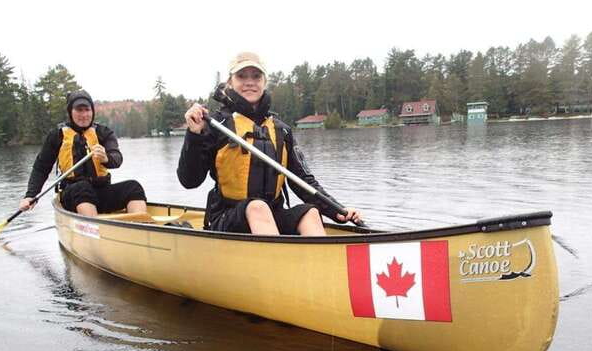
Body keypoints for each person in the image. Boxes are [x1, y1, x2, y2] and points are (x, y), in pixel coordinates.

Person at [177, 52, 361, 235]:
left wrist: (337, 211)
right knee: (257, 207)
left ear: (264, 82)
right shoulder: (215, 125)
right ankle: (278, 261)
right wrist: (194, 135)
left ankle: (319, 262)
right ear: (230, 82)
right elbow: (189, 181)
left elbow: (304, 181)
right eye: (241, 76)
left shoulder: (281, 130)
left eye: (256, 76)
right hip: (227, 217)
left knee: (310, 213)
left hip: (272, 215)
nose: (250, 82)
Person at [19, 90, 147, 217]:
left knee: (133, 187)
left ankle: (141, 228)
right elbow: (41, 168)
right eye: (79, 110)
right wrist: (30, 195)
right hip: (72, 194)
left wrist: (106, 158)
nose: (84, 115)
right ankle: (95, 230)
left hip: (101, 191)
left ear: (92, 111)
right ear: (70, 112)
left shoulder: (103, 133)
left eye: (87, 110)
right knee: (82, 187)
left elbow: (117, 159)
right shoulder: (57, 136)